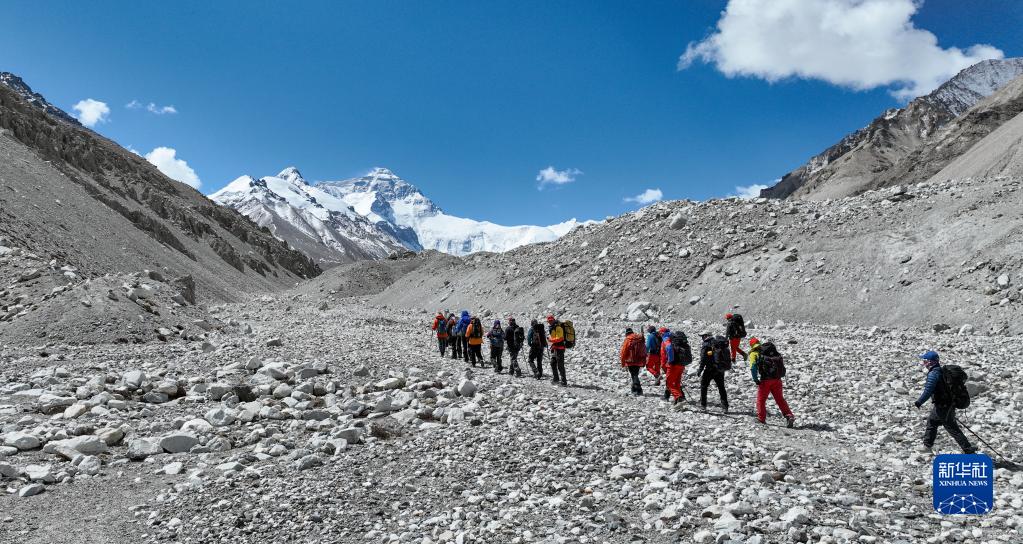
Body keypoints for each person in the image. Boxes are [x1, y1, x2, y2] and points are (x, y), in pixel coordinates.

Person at [914, 351, 975, 454]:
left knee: (953, 429)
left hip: (944, 407)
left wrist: (919, 402)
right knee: (932, 421)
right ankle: (927, 446)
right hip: (943, 405)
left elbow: (928, 390)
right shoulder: (941, 371)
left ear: (930, 362)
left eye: (924, 361)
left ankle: (969, 451)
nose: (923, 364)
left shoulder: (934, 374)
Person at [748, 337, 795, 427]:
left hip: (765, 380)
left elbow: (753, 367)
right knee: (780, 399)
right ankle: (789, 415)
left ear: (752, 346)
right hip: (777, 379)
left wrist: (755, 379)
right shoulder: (771, 352)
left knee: (761, 400)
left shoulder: (754, 353)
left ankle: (761, 418)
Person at [696, 331, 728, 412]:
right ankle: (725, 407)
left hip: (709, 369)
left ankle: (703, 405)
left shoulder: (706, 344)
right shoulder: (718, 343)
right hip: (720, 369)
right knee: (721, 387)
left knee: (704, 386)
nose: (702, 338)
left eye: (702, 336)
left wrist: (700, 370)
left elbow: (703, 359)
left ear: (706, 336)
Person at [660, 329, 689, 407]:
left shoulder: (666, 339)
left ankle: (679, 398)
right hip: (681, 364)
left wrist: (669, 362)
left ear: (662, 333)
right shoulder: (676, 338)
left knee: (669, 383)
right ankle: (679, 400)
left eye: (660, 333)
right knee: (676, 383)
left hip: (672, 365)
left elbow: (668, 349)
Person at [619, 327, 646, 395]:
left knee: (634, 375)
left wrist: (623, 363)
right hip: (639, 360)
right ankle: (633, 388)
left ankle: (638, 390)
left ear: (626, 333)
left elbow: (623, 352)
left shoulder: (628, 340)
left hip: (630, 360)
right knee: (635, 374)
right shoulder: (639, 338)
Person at [547, 315, 568, 386]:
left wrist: (550, 340)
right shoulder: (552, 328)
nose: (550, 322)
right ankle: (556, 378)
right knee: (553, 363)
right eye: (549, 321)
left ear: (553, 320)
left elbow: (560, 338)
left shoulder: (558, 328)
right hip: (555, 348)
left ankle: (564, 381)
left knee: (560, 365)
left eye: (551, 320)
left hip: (560, 349)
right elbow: (555, 337)